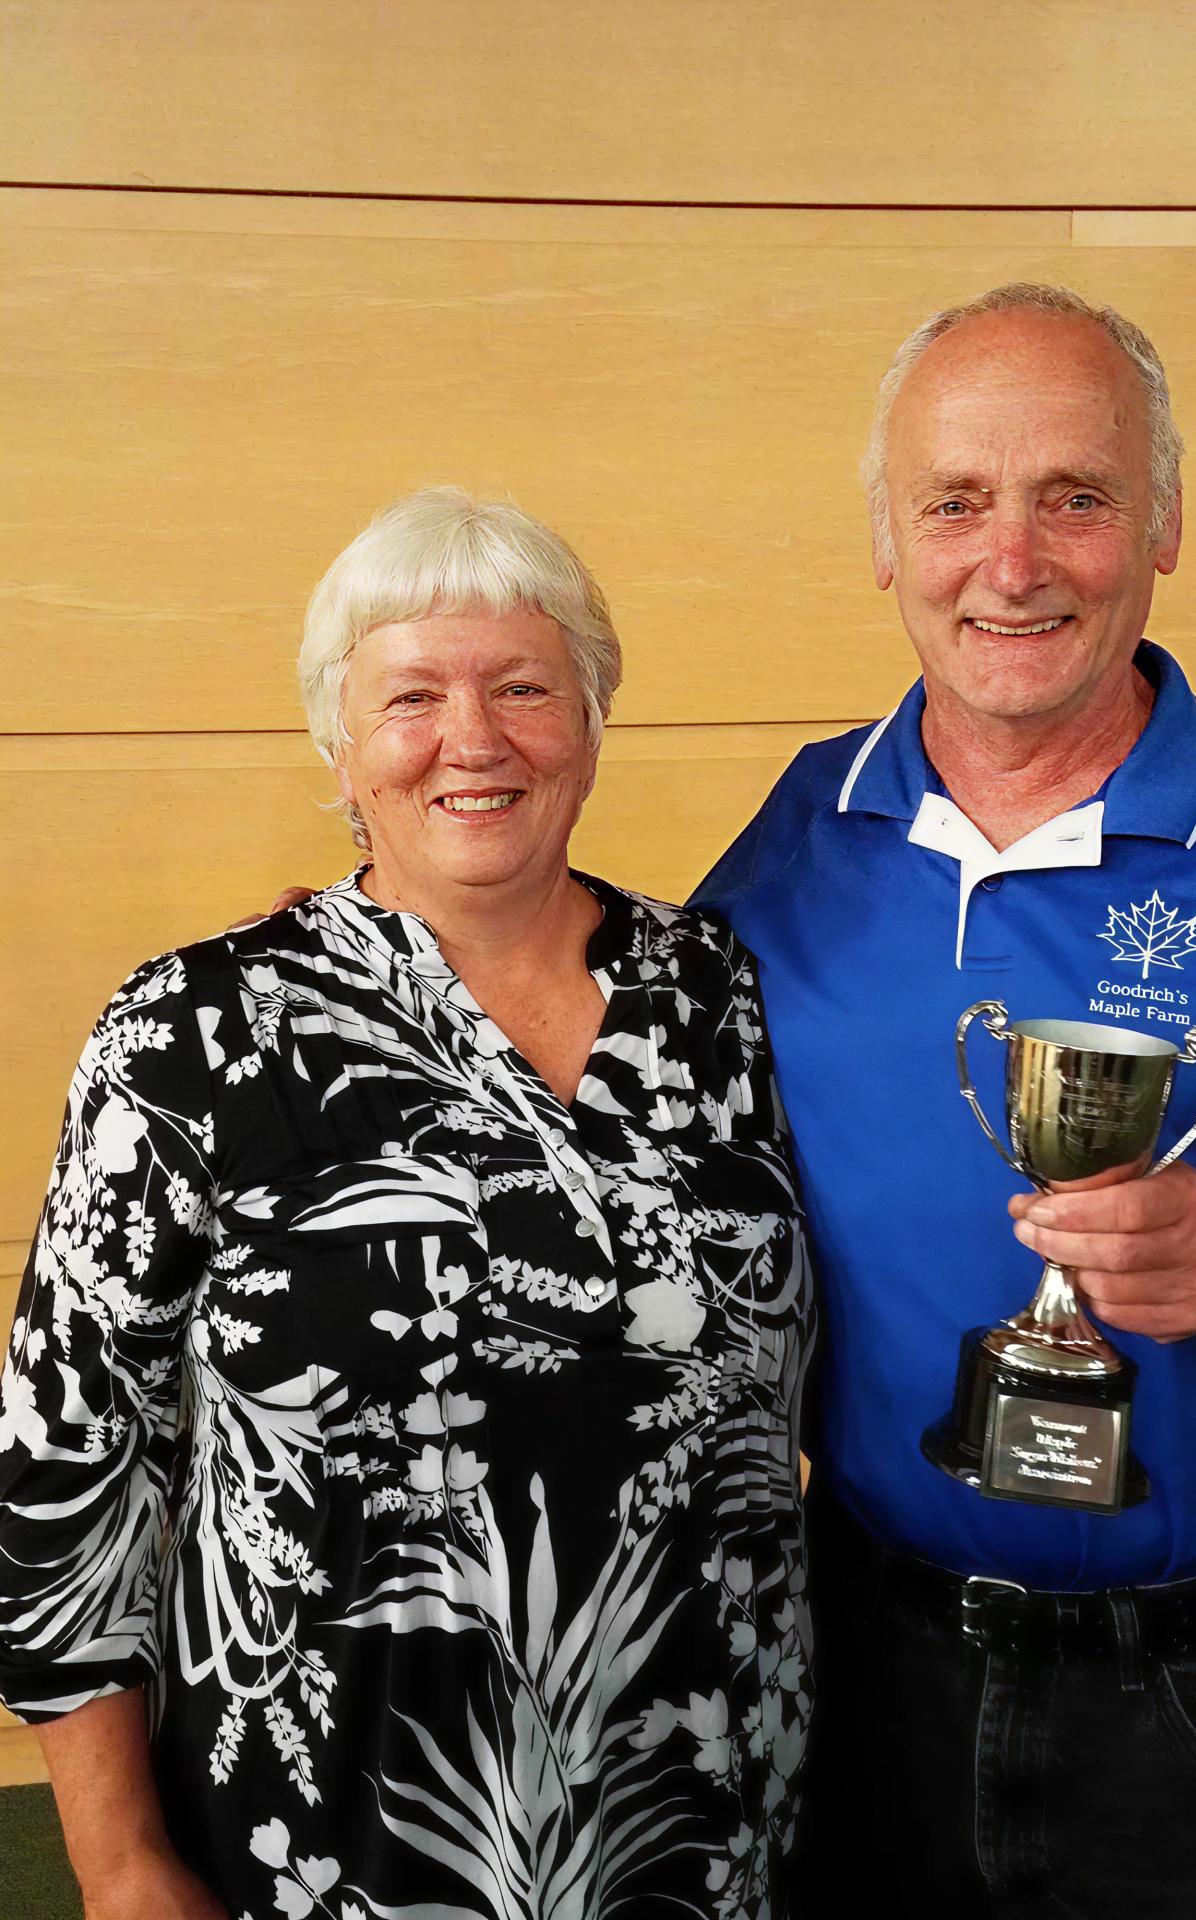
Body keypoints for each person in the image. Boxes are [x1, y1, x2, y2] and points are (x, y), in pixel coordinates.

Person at [696, 283, 1196, 1917]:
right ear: (887, 541)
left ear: (1164, 524)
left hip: (1194, 1698)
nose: (1011, 563)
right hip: (852, 1667)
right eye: (955, 502)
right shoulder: (801, 835)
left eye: (1076, 499)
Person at [0, 489, 814, 1920]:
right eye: (412, 697)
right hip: (323, 1836)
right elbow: (71, 1461)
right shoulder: (198, 1035)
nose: (474, 740)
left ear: (593, 717)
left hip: (701, 1823)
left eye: (523, 688)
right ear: (340, 741)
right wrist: (118, 1863)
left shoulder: (722, 1002)